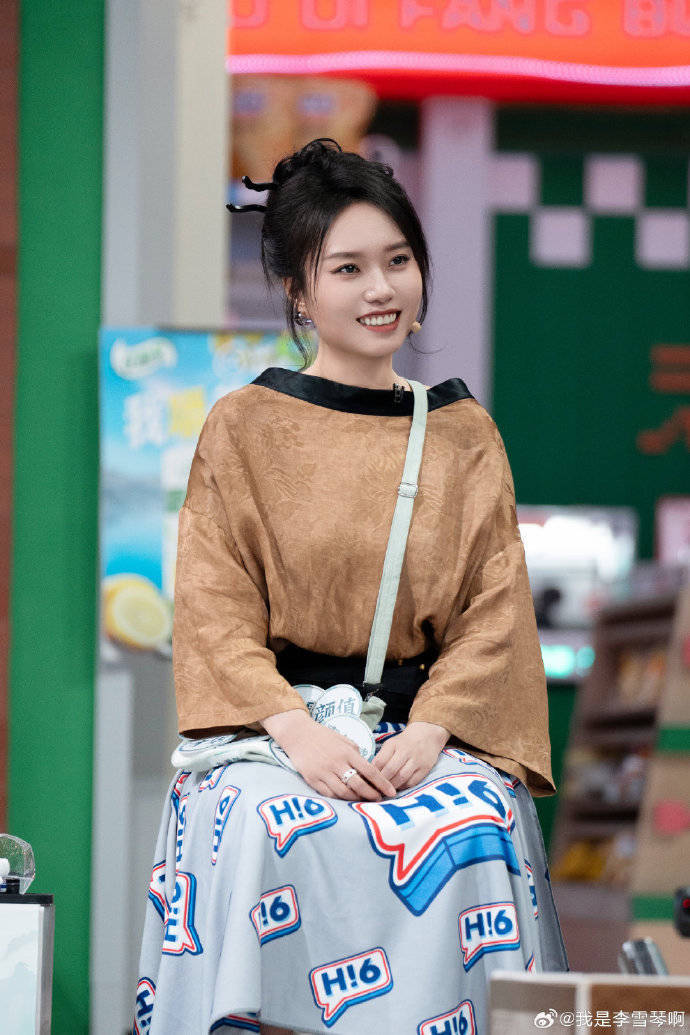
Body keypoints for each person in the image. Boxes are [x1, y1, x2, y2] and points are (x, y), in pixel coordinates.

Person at [135, 137, 569, 1035]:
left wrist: (437, 726)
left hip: (423, 732)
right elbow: (214, 609)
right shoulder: (244, 426)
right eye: (348, 268)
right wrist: (295, 733)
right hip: (274, 734)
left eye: (398, 261)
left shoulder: (464, 433)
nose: (382, 288)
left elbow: (493, 607)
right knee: (260, 819)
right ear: (298, 290)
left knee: (481, 816)